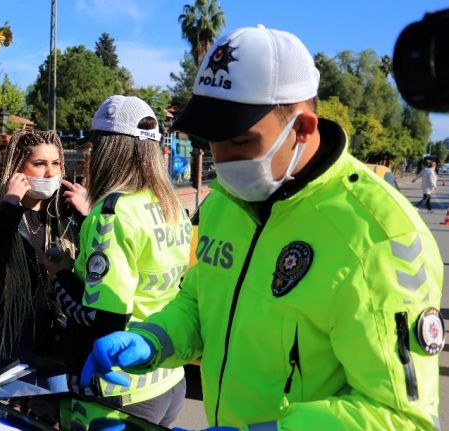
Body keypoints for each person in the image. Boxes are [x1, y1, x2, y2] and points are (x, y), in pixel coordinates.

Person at [81, 26, 444, 430]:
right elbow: (200, 304)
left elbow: (401, 418)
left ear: (304, 128)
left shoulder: (379, 235)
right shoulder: (223, 203)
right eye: (212, 140)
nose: (220, 157)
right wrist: (152, 341)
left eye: (239, 140)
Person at [42, 95, 192, 426]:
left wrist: (61, 273)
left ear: (109, 150)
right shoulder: (171, 205)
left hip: (116, 387)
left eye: (93, 148)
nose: (89, 157)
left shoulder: (111, 214)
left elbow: (100, 318)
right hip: (166, 378)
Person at [0, 130, 83, 391]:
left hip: (58, 342)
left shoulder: (69, 211)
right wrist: (10, 206)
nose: (50, 173)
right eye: (39, 164)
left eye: (56, 163)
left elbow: (96, 269)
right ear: (18, 166)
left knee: (57, 418)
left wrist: (89, 216)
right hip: (11, 340)